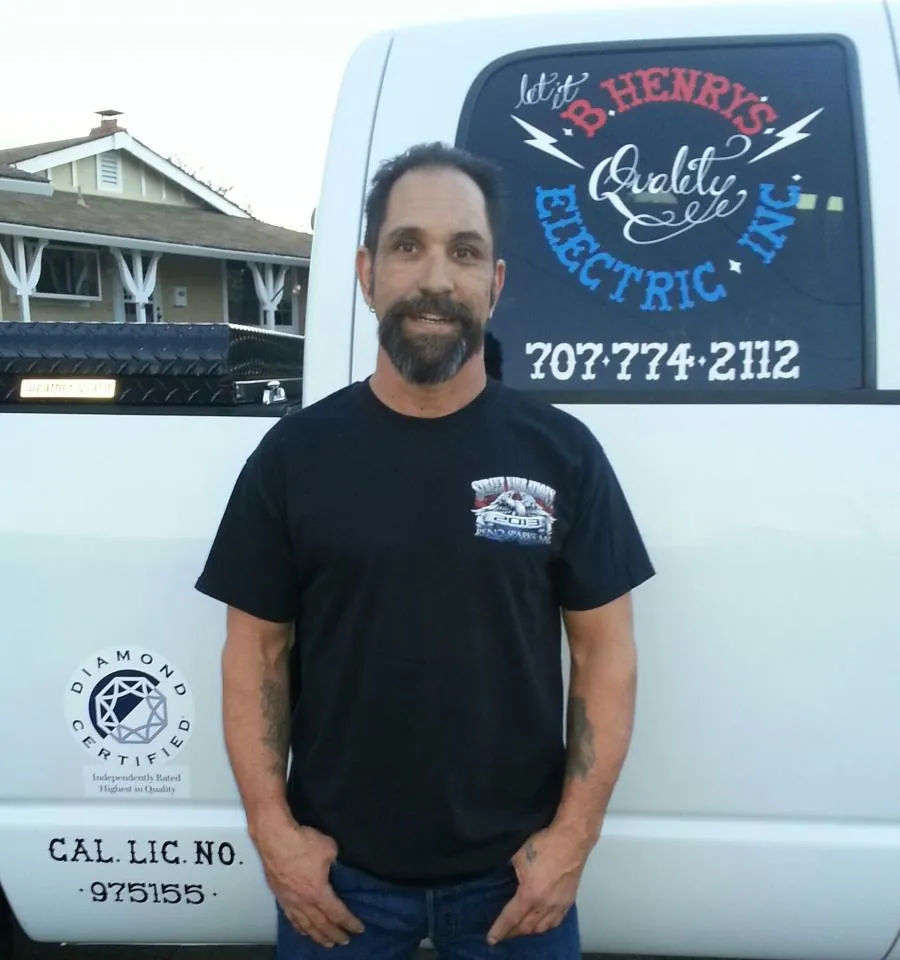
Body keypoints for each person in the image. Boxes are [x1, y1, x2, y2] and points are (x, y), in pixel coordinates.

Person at [195, 142, 655, 959]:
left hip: (516, 883)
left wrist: (571, 842)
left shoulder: (563, 455)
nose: (436, 278)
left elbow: (605, 654)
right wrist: (277, 842)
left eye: (464, 251)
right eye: (408, 246)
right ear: (367, 272)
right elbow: (254, 655)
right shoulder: (294, 458)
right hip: (339, 883)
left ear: (495, 283)